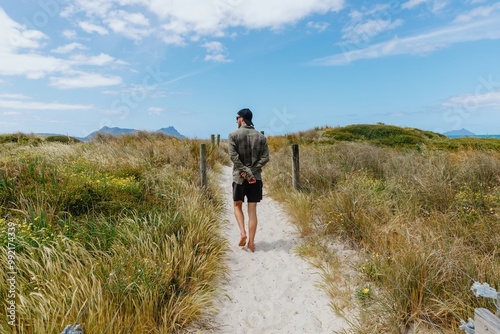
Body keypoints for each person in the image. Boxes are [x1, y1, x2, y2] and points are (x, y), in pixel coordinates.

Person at [228, 108, 270, 252]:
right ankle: (251, 243)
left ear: (242, 119)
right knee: (252, 211)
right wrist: (252, 171)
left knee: (237, 206)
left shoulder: (233, 135)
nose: (236, 121)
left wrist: (245, 171)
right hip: (255, 178)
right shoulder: (261, 137)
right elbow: (265, 158)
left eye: (237, 118)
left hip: (239, 178)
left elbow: (234, 157)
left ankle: (242, 232)